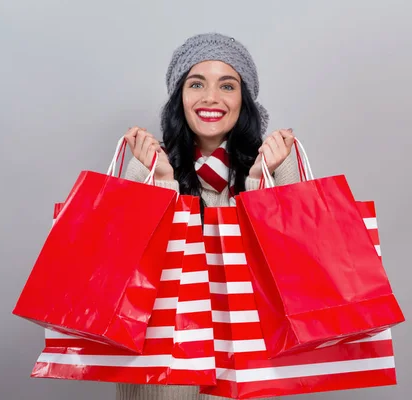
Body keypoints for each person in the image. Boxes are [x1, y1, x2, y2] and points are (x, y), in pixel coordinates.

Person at [118, 33, 300, 400]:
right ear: (179, 97)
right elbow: (123, 270)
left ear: (243, 99)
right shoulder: (148, 161)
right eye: (196, 83)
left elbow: (294, 271)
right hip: (163, 372)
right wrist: (164, 183)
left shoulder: (277, 160)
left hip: (248, 365)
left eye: (227, 85)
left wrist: (259, 182)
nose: (211, 98)